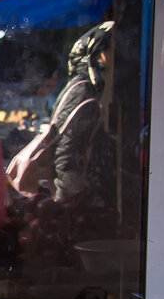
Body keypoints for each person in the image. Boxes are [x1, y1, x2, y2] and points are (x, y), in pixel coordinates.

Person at [49, 20, 115, 204]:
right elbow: (66, 148)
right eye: (111, 49)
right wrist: (70, 200)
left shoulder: (83, 86)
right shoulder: (83, 91)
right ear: (100, 54)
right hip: (76, 194)